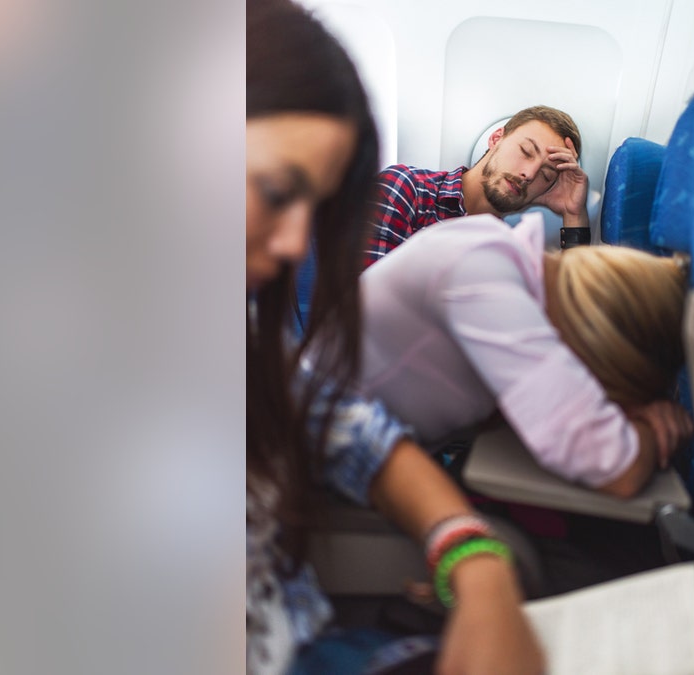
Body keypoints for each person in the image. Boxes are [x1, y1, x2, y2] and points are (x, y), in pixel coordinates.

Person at [246, 2, 544, 673]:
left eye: (314, 207)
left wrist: (474, 556)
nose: (298, 243)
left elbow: (344, 427)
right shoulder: (410, 191)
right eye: (273, 189)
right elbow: (361, 304)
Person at [355, 211, 694, 499]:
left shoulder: (506, 260)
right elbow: (614, 467)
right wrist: (657, 428)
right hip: (325, 471)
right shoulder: (480, 271)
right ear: (601, 354)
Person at [363, 105, 590, 267]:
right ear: (496, 138)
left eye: (546, 175)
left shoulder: (511, 253)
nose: (528, 174)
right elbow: (364, 302)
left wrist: (573, 214)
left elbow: (578, 318)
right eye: (526, 152)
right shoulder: (407, 189)